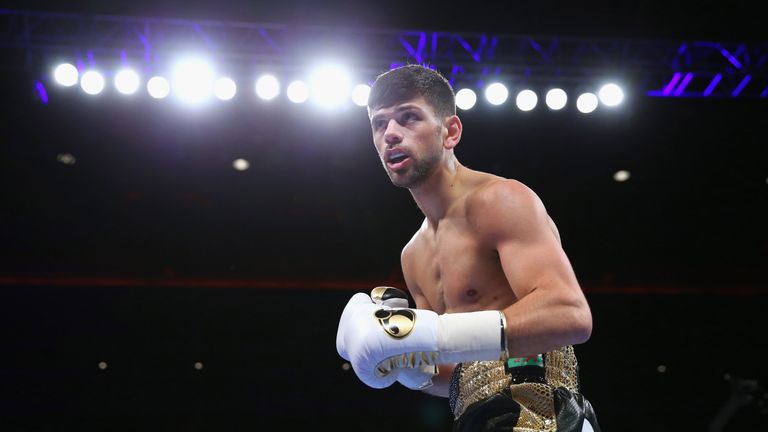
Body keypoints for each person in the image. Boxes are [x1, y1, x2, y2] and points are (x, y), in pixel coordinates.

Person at [336, 64, 600, 432]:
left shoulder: (500, 201)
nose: (390, 134)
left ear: (450, 131)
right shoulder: (413, 255)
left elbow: (569, 314)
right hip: (475, 419)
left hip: (539, 413)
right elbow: (457, 374)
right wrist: (409, 367)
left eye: (407, 118)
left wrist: (431, 334)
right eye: (379, 124)